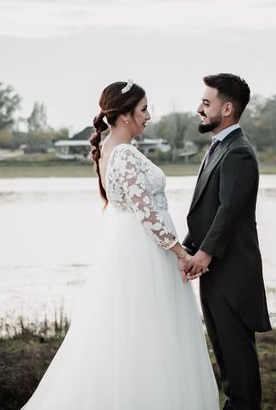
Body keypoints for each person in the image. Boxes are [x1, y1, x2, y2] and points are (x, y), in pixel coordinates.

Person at [21, 80, 219, 410]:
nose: (149, 116)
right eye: (143, 109)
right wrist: (181, 254)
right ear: (125, 115)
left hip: (132, 248)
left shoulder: (109, 149)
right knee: (154, 329)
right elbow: (146, 212)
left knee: (136, 329)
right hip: (146, 252)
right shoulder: (124, 154)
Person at [182, 73, 271, 410]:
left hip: (232, 275)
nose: (199, 109)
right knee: (226, 361)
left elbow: (230, 211)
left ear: (228, 108)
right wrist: (182, 250)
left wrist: (202, 255)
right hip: (215, 273)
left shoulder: (239, 153)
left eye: (206, 103)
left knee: (239, 367)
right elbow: (207, 213)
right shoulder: (218, 147)